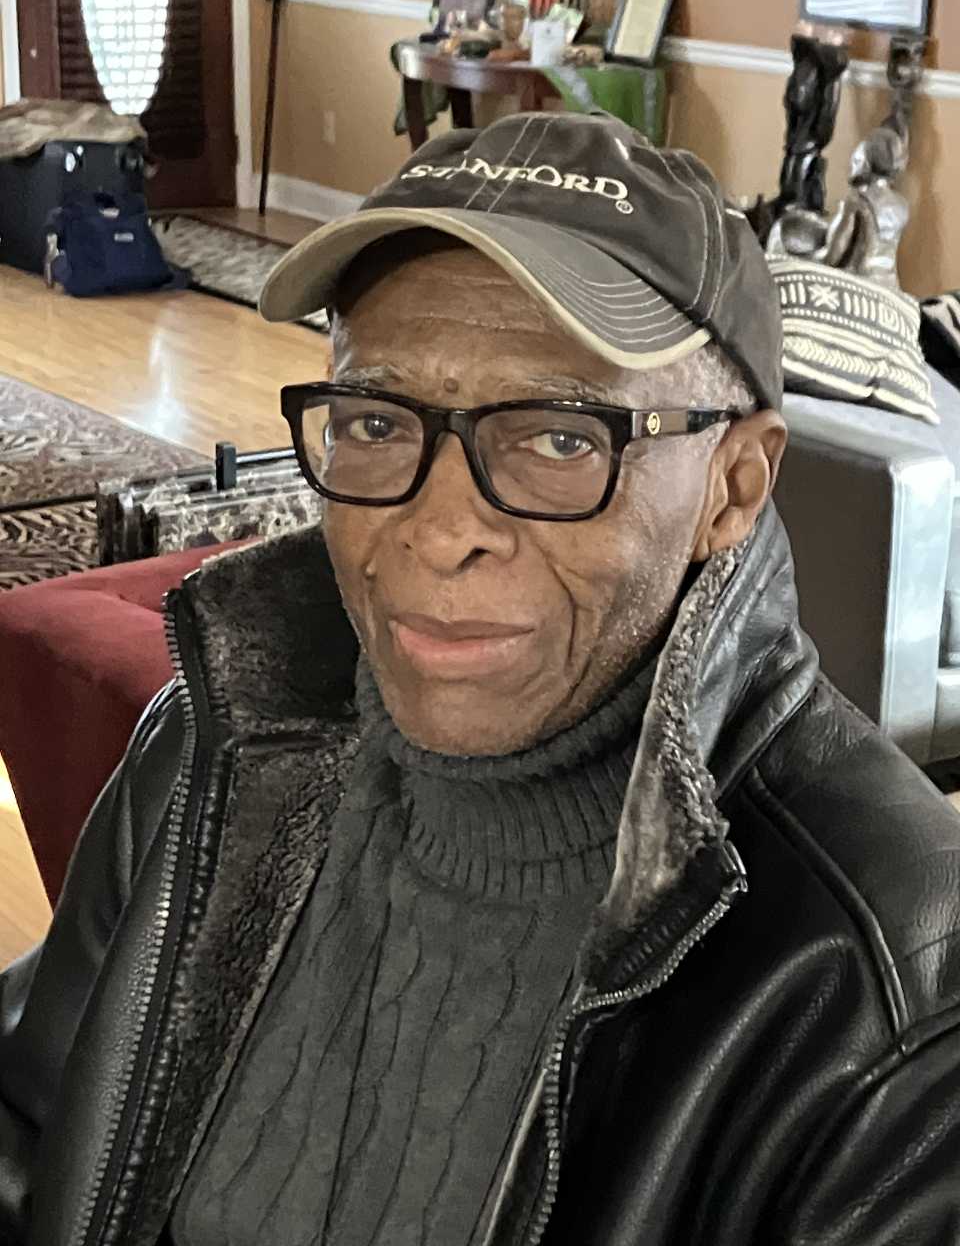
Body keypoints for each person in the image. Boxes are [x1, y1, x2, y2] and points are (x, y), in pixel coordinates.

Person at [2, 112, 959, 1246]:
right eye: (376, 420)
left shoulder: (892, 983)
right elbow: (34, 1127)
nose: (438, 527)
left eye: (560, 437)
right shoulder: (218, 746)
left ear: (733, 485)